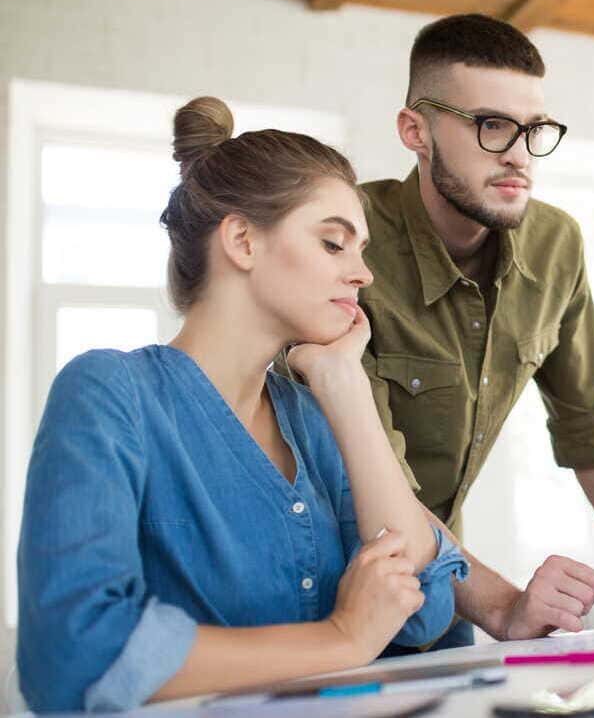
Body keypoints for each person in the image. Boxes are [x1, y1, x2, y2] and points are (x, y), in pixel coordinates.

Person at [16, 97, 467, 712]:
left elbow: (424, 609)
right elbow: (75, 654)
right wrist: (341, 637)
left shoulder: (312, 416)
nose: (363, 275)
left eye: (363, 251)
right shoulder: (108, 395)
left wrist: (346, 386)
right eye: (335, 244)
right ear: (243, 241)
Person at [329, 13, 594, 644]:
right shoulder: (344, 241)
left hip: (444, 589)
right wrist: (502, 608)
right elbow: (367, 477)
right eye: (492, 126)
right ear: (416, 130)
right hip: (327, 589)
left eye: (534, 129)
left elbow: (590, 434)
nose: (519, 155)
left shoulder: (555, 244)